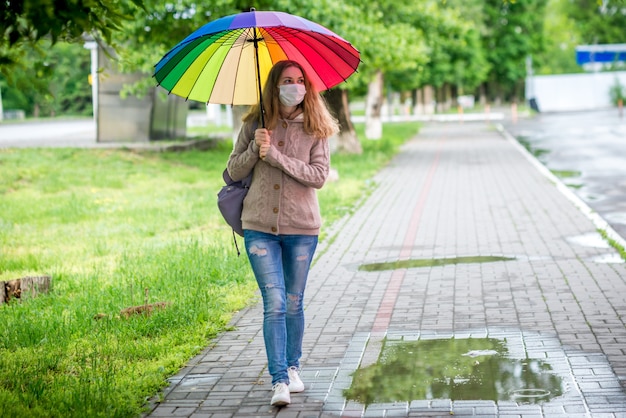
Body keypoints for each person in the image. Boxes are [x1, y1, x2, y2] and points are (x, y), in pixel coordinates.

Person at [226, 60, 339, 407]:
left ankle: (292, 367)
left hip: (302, 229)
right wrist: (253, 148)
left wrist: (274, 155)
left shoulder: (316, 127)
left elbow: (318, 175)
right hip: (259, 227)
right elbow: (232, 172)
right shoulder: (254, 124)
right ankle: (279, 381)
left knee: (293, 302)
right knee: (274, 303)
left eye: (300, 80)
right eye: (287, 80)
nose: (294, 85)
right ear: (274, 86)